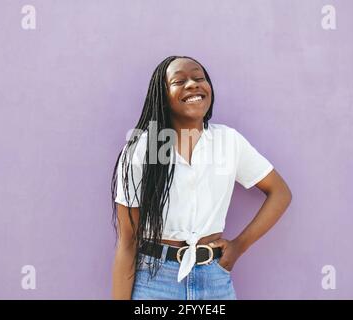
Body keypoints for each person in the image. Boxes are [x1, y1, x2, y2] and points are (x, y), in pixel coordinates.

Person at [111, 55, 292, 300]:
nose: (193, 85)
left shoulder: (229, 141)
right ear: (162, 95)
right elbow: (127, 242)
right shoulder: (141, 150)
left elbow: (280, 192)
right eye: (179, 81)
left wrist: (239, 246)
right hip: (155, 280)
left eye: (199, 78)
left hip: (213, 279)